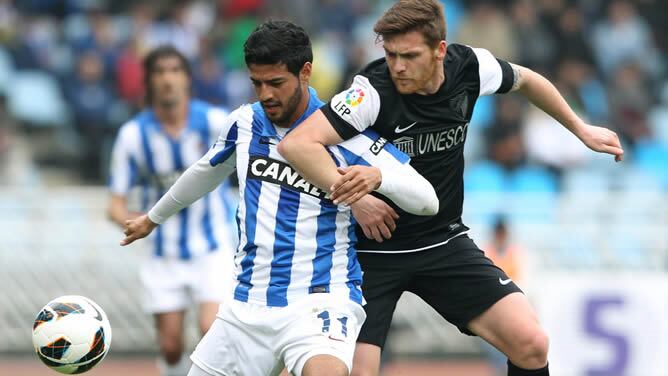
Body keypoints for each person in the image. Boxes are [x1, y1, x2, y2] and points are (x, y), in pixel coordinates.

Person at [277, 1, 625, 375]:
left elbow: (527, 80)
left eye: (409, 56)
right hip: (369, 253)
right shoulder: (370, 92)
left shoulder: (471, 67)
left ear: (440, 50)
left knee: (532, 344)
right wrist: (357, 198)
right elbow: (296, 145)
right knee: (354, 372)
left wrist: (580, 128)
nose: (398, 66)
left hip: (442, 242)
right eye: (391, 55)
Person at [120, 21, 438, 376]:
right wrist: (153, 218)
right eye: (257, 83)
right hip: (247, 303)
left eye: (276, 83)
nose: (265, 94)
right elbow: (204, 172)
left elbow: (428, 199)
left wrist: (379, 178)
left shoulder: (345, 132)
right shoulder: (244, 123)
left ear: (305, 73)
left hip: (319, 299)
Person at [107, 45, 237, 376]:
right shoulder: (133, 135)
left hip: (213, 245)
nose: (168, 79)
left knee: (211, 331)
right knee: (171, 346)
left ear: (187, 79)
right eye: (160, 72)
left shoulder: (214, 122)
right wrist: (133, 221)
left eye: (175, 71)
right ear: (149, 81)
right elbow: (115, 201)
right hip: (163, 253)